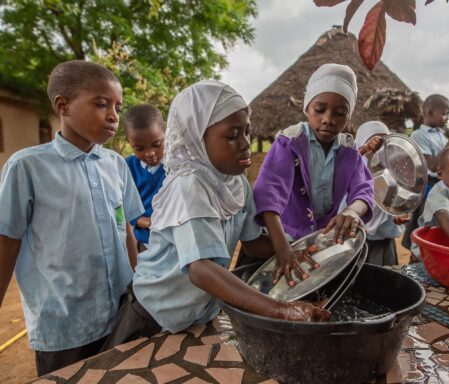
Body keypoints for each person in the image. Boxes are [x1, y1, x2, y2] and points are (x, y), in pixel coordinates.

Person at [100, 80, 330, 351]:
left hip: (198, 312)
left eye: (247, 131)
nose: (245, 144)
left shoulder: (235, 184)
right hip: (155, 314)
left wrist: (294, 249)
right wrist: (281, 310)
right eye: (232, 135)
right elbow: (201, 270)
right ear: (197, 137)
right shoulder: (189, 185)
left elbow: (253, 243)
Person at [0, 60, 144, 376]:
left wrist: (138, 285)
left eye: (118, 108)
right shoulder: (27, 167)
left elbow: (127, 229)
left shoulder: (116, 165)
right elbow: (7, 242)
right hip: (63, 322)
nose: (113, 116)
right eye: (101, 104)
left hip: (120, 311)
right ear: (62, 106)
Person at [253, 63, 374, 286]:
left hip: (318, 243)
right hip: (280, 240)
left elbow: (364, 190)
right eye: (320, 110)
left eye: (340, 113)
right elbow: (267, 197)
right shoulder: (289, 143)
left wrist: (352, 211)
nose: (329, 119)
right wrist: (283, 250)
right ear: (307, 108)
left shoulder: (350, 151)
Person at [401, 94, 449, 259]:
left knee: (439, 227)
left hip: (445, 186)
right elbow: (431, 165)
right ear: (429, 112)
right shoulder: (418, 135)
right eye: (445, 113)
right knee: (424, 225)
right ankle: (415, 262)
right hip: (428, 187)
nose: (447, 118)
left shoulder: (443, 135)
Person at [354, 121, 410, 265]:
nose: (377, 146)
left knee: (383, 274)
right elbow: (348, 161)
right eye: (372, 140)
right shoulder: (353, 167)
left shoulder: (392, 170)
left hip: (382, 238)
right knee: (357, 272)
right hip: (355, 237)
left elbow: (394, 201)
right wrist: (365, 148)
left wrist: (397, 215)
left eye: (382, 141)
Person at [124, 104, 166, 251]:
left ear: (165, 133)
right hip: (144, 244)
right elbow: (123, 206)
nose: (150, 153)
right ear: (129, 142)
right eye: (140, 148)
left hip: (174, 242)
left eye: (156, 144)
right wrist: (142, 221)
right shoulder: (127, 167)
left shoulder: (177, 166)